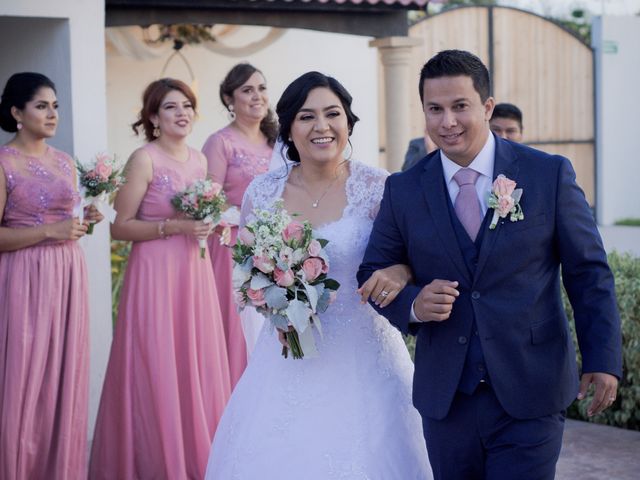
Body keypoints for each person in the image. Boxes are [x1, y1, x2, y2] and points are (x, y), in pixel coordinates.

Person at [358, 50, 622, 480]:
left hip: (531, 388)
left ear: (486, 106)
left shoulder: (548, 174)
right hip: (447, 396)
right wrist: (411, 304)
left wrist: (603, 357)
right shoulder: (404, 189)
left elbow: (588, 271)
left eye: (460, 106)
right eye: (435, 109)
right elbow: (372, 271)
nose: (448, 122)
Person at [204, 72, 432, 480]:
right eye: (307, 117)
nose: (322, 126)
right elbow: (250, 267)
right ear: (289, 127)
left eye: (333, 114)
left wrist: (400, 270)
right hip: (287, 351)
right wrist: (273, 305)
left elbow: (414, 257)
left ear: (348, 122)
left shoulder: (380, 187)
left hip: (365, 351)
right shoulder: (262, 191)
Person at [90, 78, 231, 479]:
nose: (182, 113)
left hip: (194, 270)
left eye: (186, 105)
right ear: (153, 117)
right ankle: (153, 460)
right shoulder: (144, 159)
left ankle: (194, 455)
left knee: (193, 359)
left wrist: (207, 225)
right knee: (156, 360)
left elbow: (201, 215)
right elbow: (121, 228)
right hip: (155, 272)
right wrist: (174, 228)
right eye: (171, 107)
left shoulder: (199, 160)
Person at [0, 72, 102, 479]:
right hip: (23, 276)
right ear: (16, 113)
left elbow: (67, 221)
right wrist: (49, 232)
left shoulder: (64, 162)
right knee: (23, 377)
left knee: (63, 377)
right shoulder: (3, 162)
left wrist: (85, 219)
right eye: (42, 105)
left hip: (68, 276)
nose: (52, 113)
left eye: (55, 106)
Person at [202, 63, 278, 382]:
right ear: (229, 99)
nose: (257, 96)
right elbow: (207, 202)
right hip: (233, 249)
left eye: (261, 88)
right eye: (247, 90)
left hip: (277, 248)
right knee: (238, 327)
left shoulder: (278, 141)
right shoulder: (220, 143)